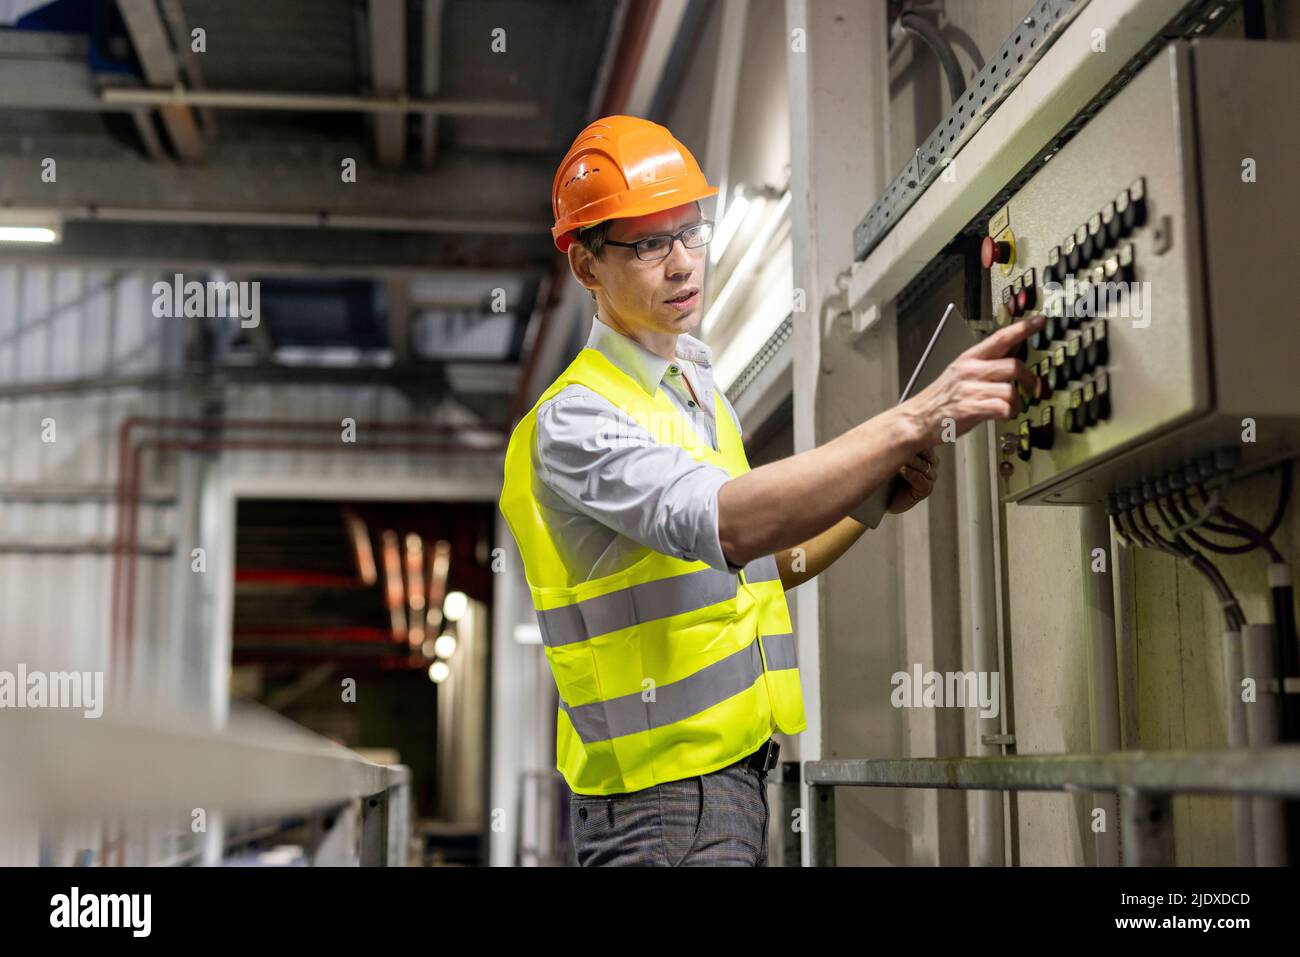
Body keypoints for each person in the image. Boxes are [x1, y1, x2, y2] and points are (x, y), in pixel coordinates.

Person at [499, 115, 1042, 866]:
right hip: (664, 807)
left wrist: (870, 502)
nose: (683, 264)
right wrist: (916, 413)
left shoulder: (695, 392)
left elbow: (765, 565)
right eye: (649, 244)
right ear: (587, 266)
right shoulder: (575, 420)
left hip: (735, 783)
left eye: (690, 232)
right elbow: (731, 523)